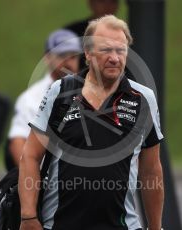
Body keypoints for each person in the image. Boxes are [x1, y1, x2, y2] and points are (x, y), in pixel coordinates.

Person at [19, 15, 164, 230]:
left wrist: (156, 227)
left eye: (121, 50)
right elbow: (30, 156)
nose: (115, 58)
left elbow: (151, 170)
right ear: (87, 53)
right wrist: (28, 217)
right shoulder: (61, 91)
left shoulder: (143, 98)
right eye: (106, 50)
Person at [5, 29, 81, 170]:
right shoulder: (30, 98)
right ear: (47, 58)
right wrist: (33, 180)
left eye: (73, 56)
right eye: (62, 55)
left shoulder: (90, 91)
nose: (69, 62)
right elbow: (17, 141)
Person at [65, 0, 120, 70]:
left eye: (112, 1)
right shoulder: (72, 32)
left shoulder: (124, 33)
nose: (107, 6)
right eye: (102, 2)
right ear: (91, 3)